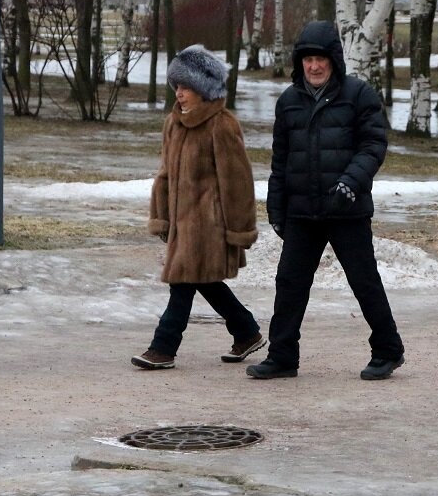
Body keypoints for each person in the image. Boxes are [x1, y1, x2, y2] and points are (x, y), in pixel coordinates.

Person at [247, 20, 405, 381]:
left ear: (333, 60)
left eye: (320, 59)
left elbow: (373, 145)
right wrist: (276, 208)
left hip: (346, 209)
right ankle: (283, 356)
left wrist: (350, 182)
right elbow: (280, 161)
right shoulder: (288, 101)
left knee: (364, 281)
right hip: (303, 211)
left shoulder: (359, 94)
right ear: (299, 62)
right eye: (307, 60)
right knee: (289, 283)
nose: (314, 66)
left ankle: (388, 350)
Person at [132, 45, 265, 370]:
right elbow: (164, 175)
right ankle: (247, 331)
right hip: (181, 224)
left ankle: (163, 348)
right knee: (203, 282)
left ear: (205, 89)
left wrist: (239, 229)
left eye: (186, 87)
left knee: (182, 284)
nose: (179, 94)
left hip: (210, 226)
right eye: (176, 86)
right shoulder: (173, 124)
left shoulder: (222, 124)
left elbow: (237, 182)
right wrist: (161, 217)